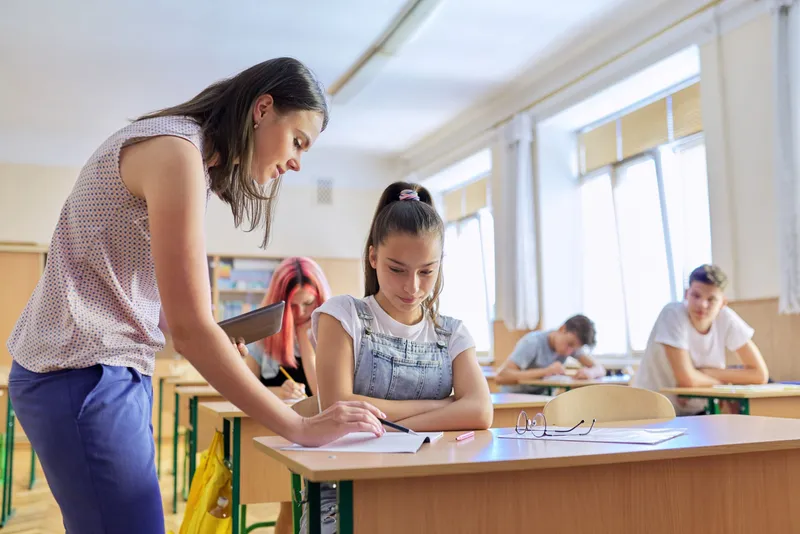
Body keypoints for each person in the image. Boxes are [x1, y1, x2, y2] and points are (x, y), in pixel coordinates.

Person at [5, 57, 384, 534]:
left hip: (94, 370)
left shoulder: (186, 154)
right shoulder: (177, 153)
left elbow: (161, 308)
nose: (296, 162)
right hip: (81, 371)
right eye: (297, 142)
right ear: (262, 109)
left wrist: (212, 336)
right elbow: (188, 331)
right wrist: (300, 427)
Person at [302, 182, 493, 533]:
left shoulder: (453, 332)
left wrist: (386, 426)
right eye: (397, 269)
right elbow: (338, 408)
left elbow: (480, 411)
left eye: (426, 272)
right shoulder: (342, 315)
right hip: (346, 489)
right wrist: (443, 407)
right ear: (373, 257)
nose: (413, 287)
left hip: (436, 484)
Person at [633, 264, 770, 415]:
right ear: (686, 294)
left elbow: (760, 375)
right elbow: (687, 380)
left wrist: (705, 373)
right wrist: (725, 383)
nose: (702, 305)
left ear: (723, 303)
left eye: (711, 299)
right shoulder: (672, 314)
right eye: (696, 296)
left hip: (697, 411)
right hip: (653, 410)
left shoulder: (726, 318)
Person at [239, 256, 331, 400]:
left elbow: (324, 396)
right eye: (292, 305)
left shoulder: (332, 334)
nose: (300, 312)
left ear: (320, 299)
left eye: (308, 303)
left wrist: (303, 337)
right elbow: (245, 392)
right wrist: (277, 393)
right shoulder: (262, 334)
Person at [495, 315, 605, 394]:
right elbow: (501, 376)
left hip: (542, 396)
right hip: (516, 396)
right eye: (569, 344)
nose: (569, 352)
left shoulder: (572, 347)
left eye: (574, 349)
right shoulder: (532, 342)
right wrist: (547, 371)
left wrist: (590, 372)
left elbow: (600, 368)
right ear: (562, 329)